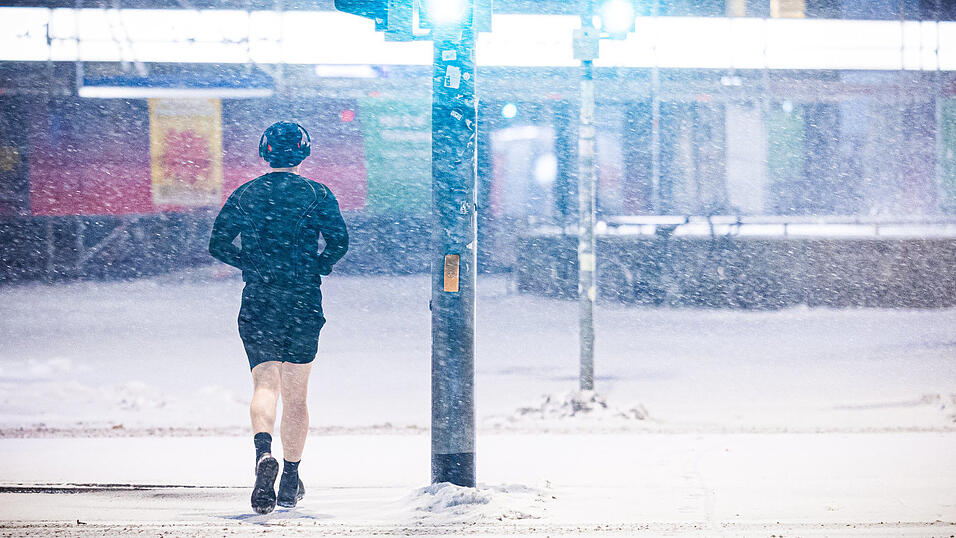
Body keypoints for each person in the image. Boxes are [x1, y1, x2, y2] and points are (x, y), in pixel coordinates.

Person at [208, 121, 349, 514]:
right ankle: (290, 478)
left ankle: (262, 453)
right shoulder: (318, 194)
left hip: (260, 298)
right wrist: (319, 265)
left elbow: (217, 243)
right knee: (297, 395)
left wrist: (249, 264)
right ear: (303, 153)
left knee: (264, 385)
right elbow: (340, 241)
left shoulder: (246, 194)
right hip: (303, 298)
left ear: (264, 153)